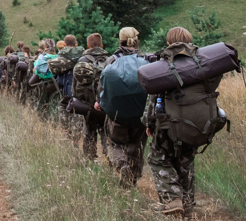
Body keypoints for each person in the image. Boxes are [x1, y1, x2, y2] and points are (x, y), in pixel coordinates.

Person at [144, 27, 203, 216]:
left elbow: (153, 99)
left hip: (167, 125)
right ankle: (188, 206)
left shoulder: (163, 64)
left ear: (169, 44)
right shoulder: (200, 62)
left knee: (158, 158)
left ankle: (173, 198)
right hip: (195, 126)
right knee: (186, 163)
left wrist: (148, 123)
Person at [94, 27, 149, 188]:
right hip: (140, 113)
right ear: (136, 40)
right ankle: (132, 180)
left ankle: (121, 165)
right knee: (137, 145)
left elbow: (101, 84)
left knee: (116, 143)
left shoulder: (111, 60)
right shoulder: (146, 59)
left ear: (120, 40)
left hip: (117, 114)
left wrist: (100, 101)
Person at [74, 33, 110, 161]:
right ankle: (108, 157)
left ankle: (90, 159)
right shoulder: (110, 60)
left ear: (88, 45)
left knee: (89, 131)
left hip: (88, 104)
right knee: (106, 131)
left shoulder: (82, 61)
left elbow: (75, 87)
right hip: (106, 103)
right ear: (102, 45)